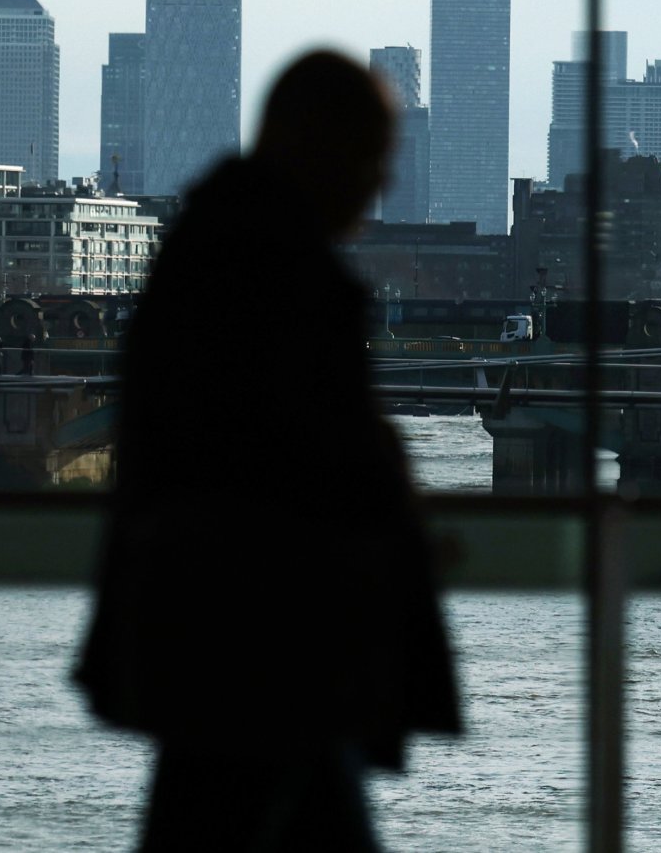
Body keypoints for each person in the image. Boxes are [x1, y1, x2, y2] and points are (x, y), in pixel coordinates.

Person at [75, 51, 460, 850]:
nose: (378, 182)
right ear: (314, 147)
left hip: (221, 652)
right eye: (368, 156)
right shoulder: (278, 277)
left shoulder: (212, 255)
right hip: (275, 658)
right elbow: (302, 465)